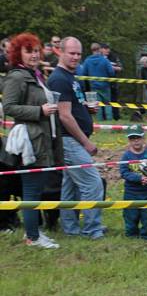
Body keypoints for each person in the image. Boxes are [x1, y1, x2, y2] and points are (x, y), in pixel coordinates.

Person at [1, 32, 62, 248]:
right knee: (31, 189)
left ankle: (33, 233)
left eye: (36, 51)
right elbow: (8, 107)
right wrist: (39, 110)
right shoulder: (17, 76)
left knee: (35, 189)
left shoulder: (35, 74)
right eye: (29, 51)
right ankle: (33, 237)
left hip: (42, 138)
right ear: (19, 53)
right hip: (30, 141)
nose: (34, 55)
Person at [48, 37, 106, 240]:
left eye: (78, 53)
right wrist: (86, 142)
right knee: (93, 183)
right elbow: (64, 115)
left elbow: (72, 107)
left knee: (70, 186)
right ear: (60, 52)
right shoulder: (59, 78)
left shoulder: (71, 76)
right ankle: (93, 229)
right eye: (71, 53)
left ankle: (71, 228)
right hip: (70, 141)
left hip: (72, 140)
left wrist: (87, 109)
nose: (75, 57)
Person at [119, 125, 147, 239]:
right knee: (131, 215)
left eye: (138, 137)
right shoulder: (126, 156)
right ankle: (131, 234)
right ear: (129, 141)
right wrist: (138, 178)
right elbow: (124, 172)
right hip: (131, 193)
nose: (136, 140)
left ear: (143, 138)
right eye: (132, 138)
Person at [81, 42, 115, 121]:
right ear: (99, 50)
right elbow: (111, 72)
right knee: (107, 104)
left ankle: (100, 122)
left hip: (94, 86)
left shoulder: (87, 61)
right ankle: (109, 121)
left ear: (91, 50)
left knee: (97, 104)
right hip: (105, 85)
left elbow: (83, 73)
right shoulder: (105, 60)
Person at [100, 43, 123, 120]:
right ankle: (102, 119)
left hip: (113, 82)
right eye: (105, 48)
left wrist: (111, 67)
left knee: (114, 100)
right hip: (101, 83)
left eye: (108, 48)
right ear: (101, 49)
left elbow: (120, 68)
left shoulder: (114, 56)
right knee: (101, 102)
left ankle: (116, 117)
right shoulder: (98, 57)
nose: (108, 50)